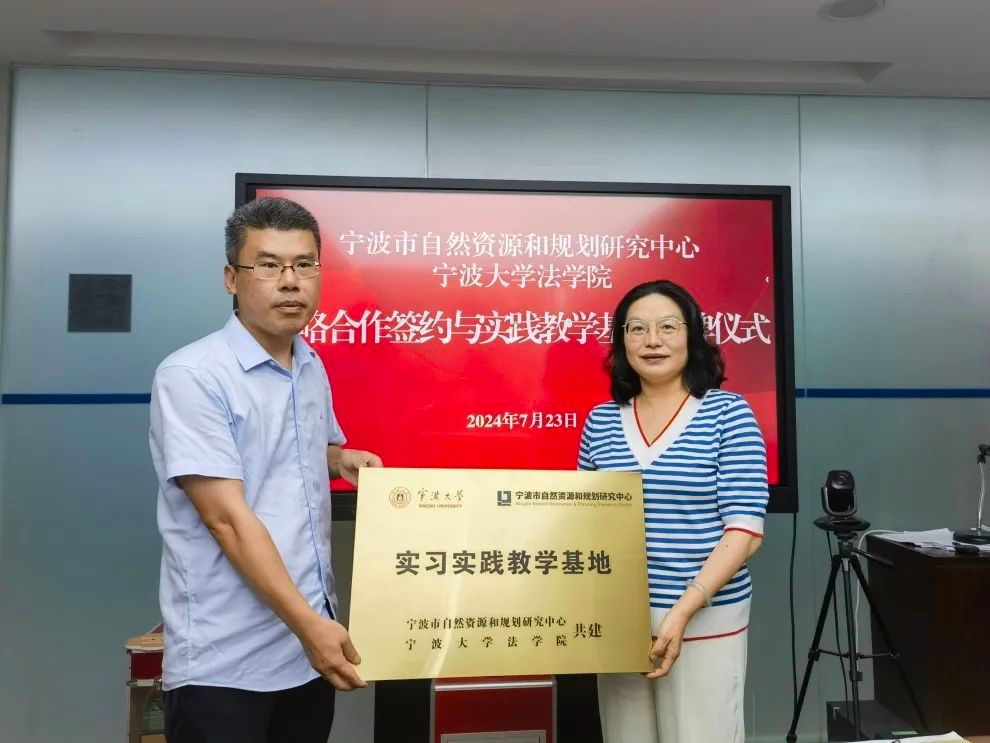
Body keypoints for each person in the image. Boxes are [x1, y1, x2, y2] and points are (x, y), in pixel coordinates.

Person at [149, 197, 382, 743]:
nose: (290, 281)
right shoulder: (193, 375)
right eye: (269, 265)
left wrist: (339, 459)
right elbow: (226, 519)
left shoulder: (309, 363)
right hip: (227, 660)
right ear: (232, 278)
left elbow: (288, 452)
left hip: (306, 651)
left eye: (304, 265)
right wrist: (311, 628)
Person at [579, 279, 768, 743]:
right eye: (637, 328)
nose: (652, 340)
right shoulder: (601, 420)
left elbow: (744, 531)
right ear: (622, 341)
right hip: (621, 619)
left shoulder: (728, 413)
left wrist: (683, 611)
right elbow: (586, 522)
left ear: (692, 336)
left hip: (705, 613)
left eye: (668, 326)